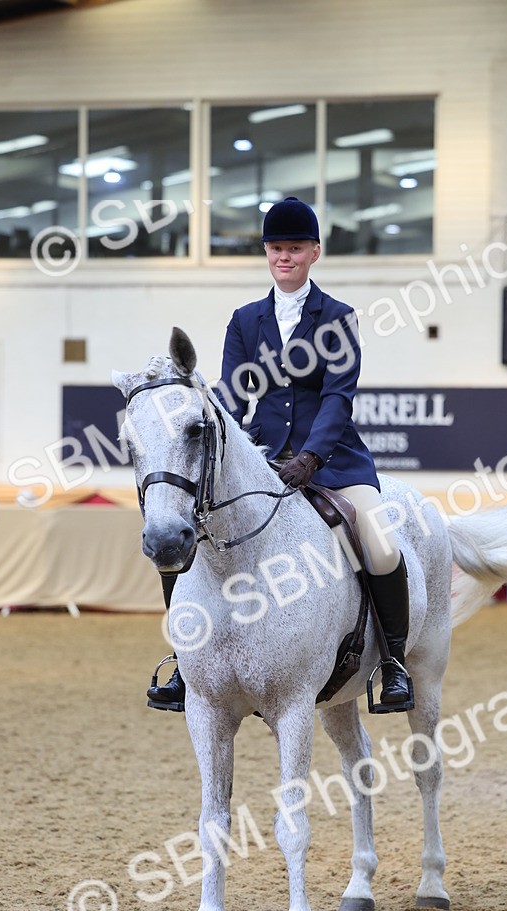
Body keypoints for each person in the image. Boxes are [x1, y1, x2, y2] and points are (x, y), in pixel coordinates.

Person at [147, 196, 412, 714]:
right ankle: (185, 660)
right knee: (185, 539)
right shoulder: (245, 320)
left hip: (333, 462)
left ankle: (394, 664)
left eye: (294, 248)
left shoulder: (338, 318)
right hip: (260, 461)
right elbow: (232, 396)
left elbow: (338, 397)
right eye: (275, 249)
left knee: (380, 546)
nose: (283, 257)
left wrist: (312, 457)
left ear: (314, 252)